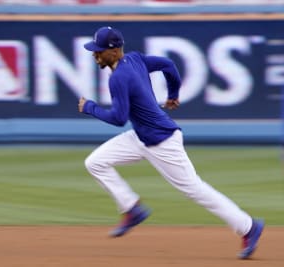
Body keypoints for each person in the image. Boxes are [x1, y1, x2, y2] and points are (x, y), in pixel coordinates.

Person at [78, 26, 264, 259]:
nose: (95, 54)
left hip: (162, 141)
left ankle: (249, 226)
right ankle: (132, 209)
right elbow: (168, 65)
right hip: (141, 136)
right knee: (95, 162)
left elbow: (118, 118)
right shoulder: (134, 60)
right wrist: (173, 94)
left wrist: (90, 108)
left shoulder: (118, 77)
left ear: (114, 51)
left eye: (99, 51)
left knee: (195, 189)